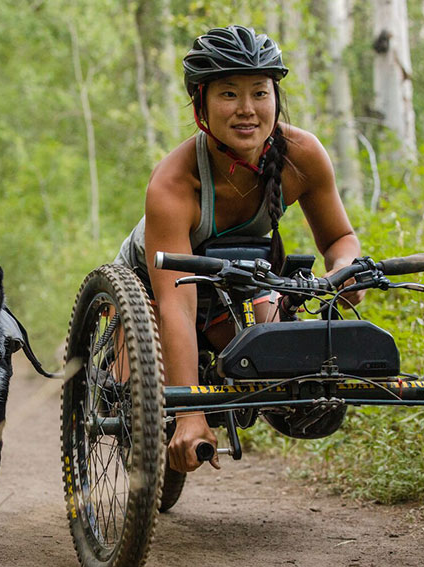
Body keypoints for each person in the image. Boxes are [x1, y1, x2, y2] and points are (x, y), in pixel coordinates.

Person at [114, 25, 363, 473]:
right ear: (201, 105)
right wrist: (189, 413)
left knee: (273, 364)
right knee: (144, 412)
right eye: (229, 94)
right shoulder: (174, 181)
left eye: (259, 94)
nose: (247, 110)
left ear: (275, 97)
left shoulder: (302, 154)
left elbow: (339, 240)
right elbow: (176, 305)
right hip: (154, 289)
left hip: (236, 282)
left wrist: (344, 271)